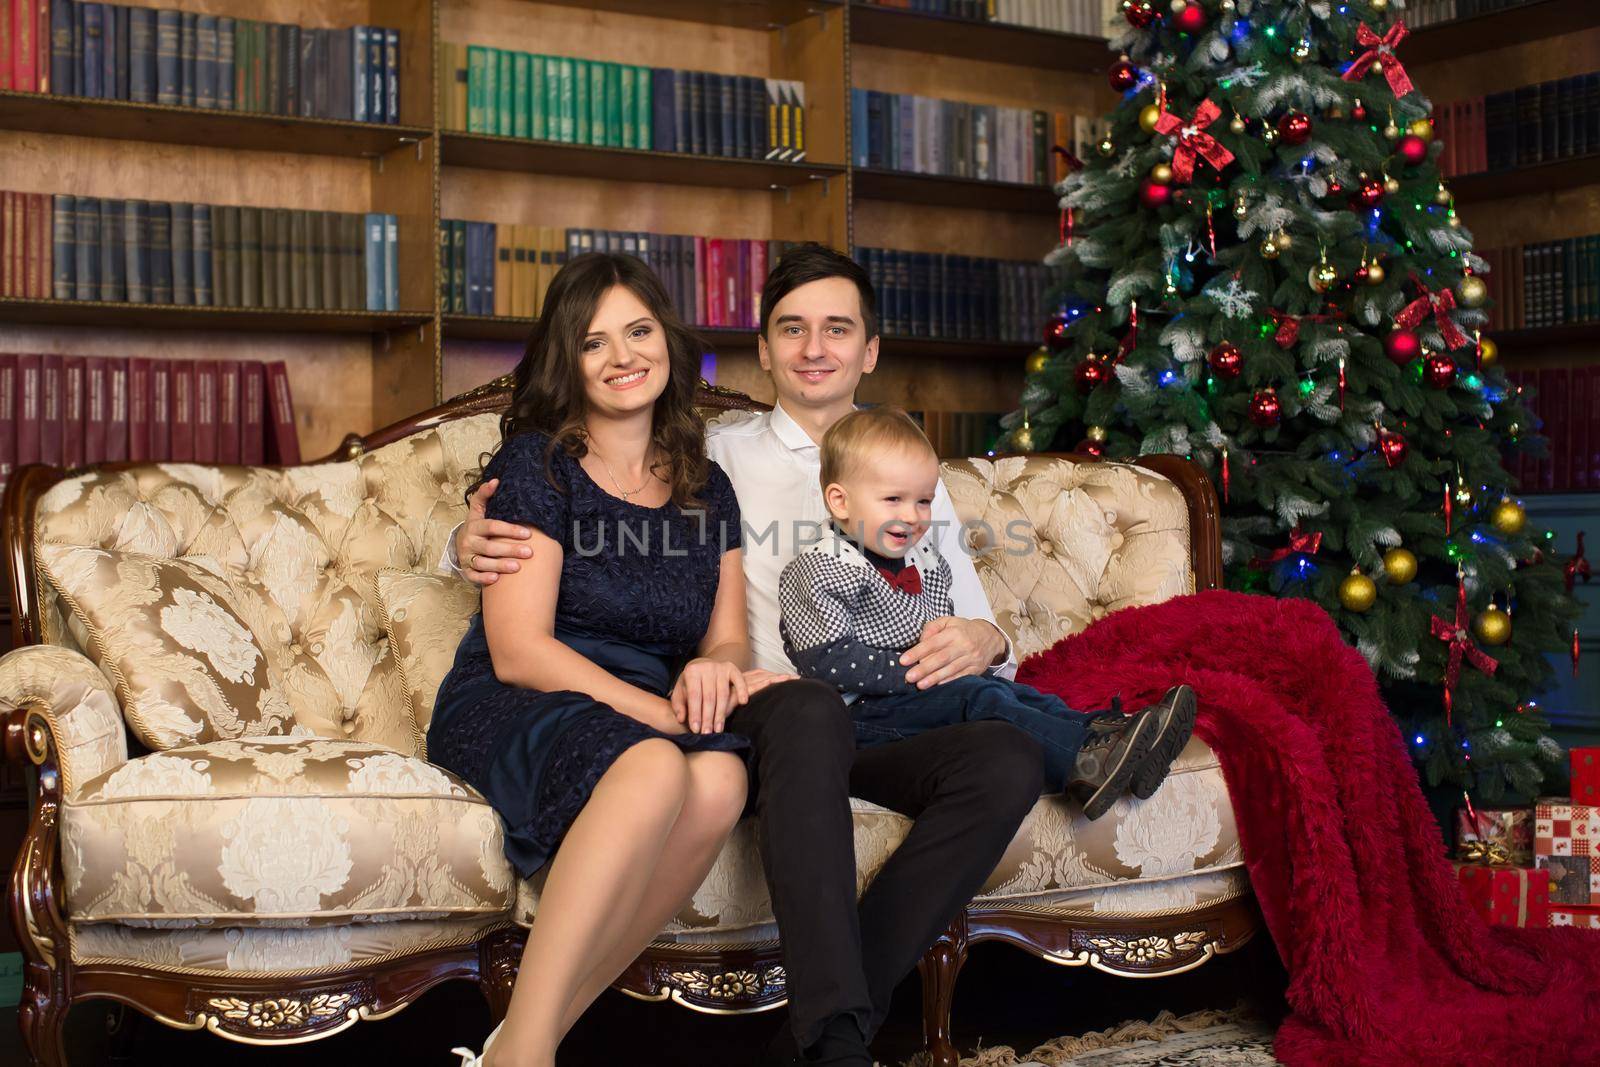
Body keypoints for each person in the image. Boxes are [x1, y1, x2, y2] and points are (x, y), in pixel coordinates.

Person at [442, 244, 1143, 1066]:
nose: (815, 348)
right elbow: (518, 568)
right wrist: (458, 544)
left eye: (837, 329)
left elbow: (965, 615)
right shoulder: (728, 446)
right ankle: (817, 1041)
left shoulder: (879, 468)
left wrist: (989, 638)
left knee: (1006, 758)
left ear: (869, 351)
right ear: (763, 351)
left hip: (871, 710)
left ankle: (822, 1036)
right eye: (793, 329)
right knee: (791, 716)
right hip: (769, 710)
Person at [430, 252, 761, 1067]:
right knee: (657, 766)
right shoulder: (538, 467)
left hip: (639, 710)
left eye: (639, 330)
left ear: (670, 344)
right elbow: (519, 649)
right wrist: (658, 714)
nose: (623, 357)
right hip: (524, 698)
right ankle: (530, 1055)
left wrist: (712, 668)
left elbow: (726, 635)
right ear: (567, 363)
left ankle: (522, 1043)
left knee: (722, 779)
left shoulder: (706, 486)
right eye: (594, 341)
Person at [778, 406, 1197, 819]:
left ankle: (1110, 738)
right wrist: (919, 673)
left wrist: (950, 648)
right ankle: (1081, 763)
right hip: (860, 717)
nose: (912, 516)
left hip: (920, 698)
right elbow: (826, 660)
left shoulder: (922, 558)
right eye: (894, 500)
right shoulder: (822, 565)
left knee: (1018, 693)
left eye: (924, 501)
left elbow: (940, 625)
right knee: (979, 696)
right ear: (840, 501)